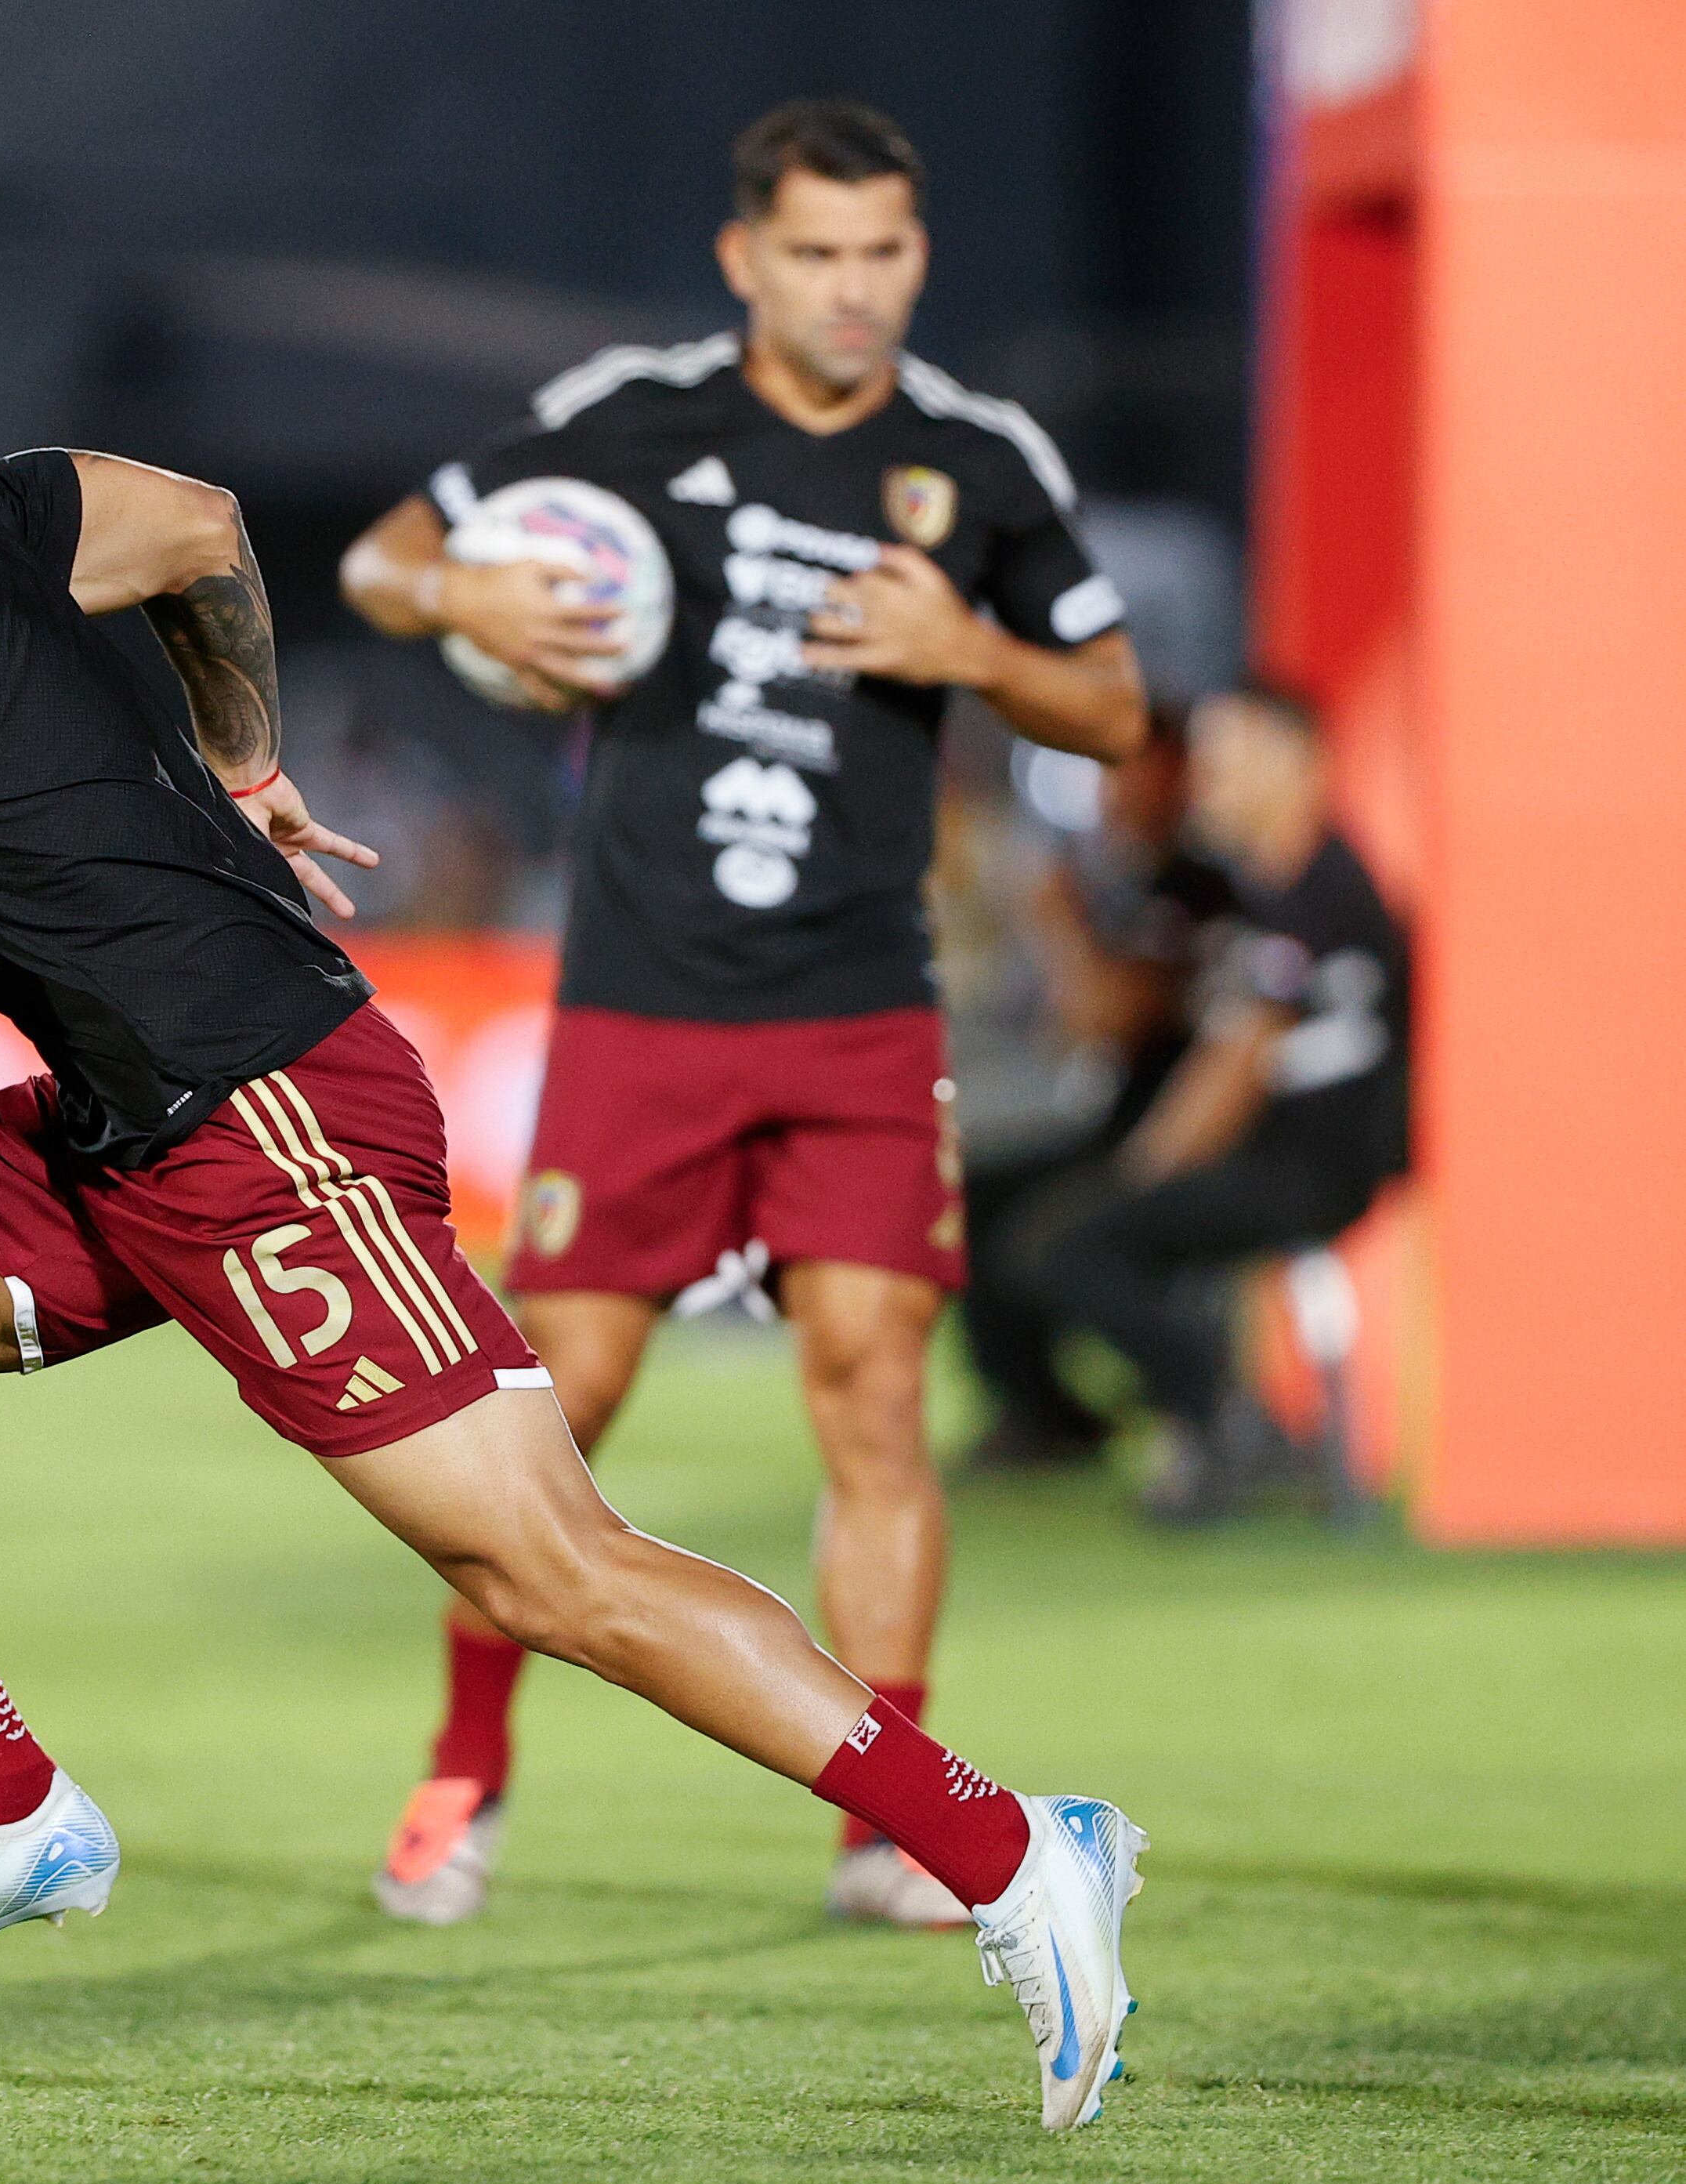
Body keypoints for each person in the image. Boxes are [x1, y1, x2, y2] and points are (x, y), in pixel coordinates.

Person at [0, 301, 1147, 2131]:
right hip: (121, 1119)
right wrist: (238, 748)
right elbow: (204, 526)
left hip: (261, 1118)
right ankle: (1, 1808)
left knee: (548, 1568)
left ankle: (1013, 1848)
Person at [335, 98, 1149, 1931]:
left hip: (863, 1018)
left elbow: (1111, 709)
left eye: (882, 254)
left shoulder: (978, 460)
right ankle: (462, 1776)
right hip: (643, 1015)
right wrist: (463, 588)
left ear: (914, 257)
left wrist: (977, 659)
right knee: (559, 1415)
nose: (852, 291)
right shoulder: (640, 412)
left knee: (872, 1399)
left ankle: (894, 1831)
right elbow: (382, 561)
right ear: (745, 259)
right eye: (816, 254)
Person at [1034, 686, 1410, 1522]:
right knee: (1067, 1232)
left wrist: (1141, 1177)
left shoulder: (1314, 896)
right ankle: (1218, 1422)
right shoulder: (1269, 888)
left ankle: (1235, 1424)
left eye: (1227, 762)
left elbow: (1235, 1065)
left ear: (1299, 763)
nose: (1206, 784)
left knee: (1073, 1244)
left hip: (1310, 1169)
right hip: (1281, 1159)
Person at [958, 711, 1237, 1472]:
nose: (1113, 791)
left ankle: (1218, 1408)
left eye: (1129, 768)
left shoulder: (1198, 882)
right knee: (975, 1196)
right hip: (1124, 1118)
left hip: (1177, 1132)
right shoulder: (1139, 879)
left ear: (1180, 770)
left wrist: (1055, 919)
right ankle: (1041, 1412)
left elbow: (1106, 1015)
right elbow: (1077, 1029)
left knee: (1054, 1237)